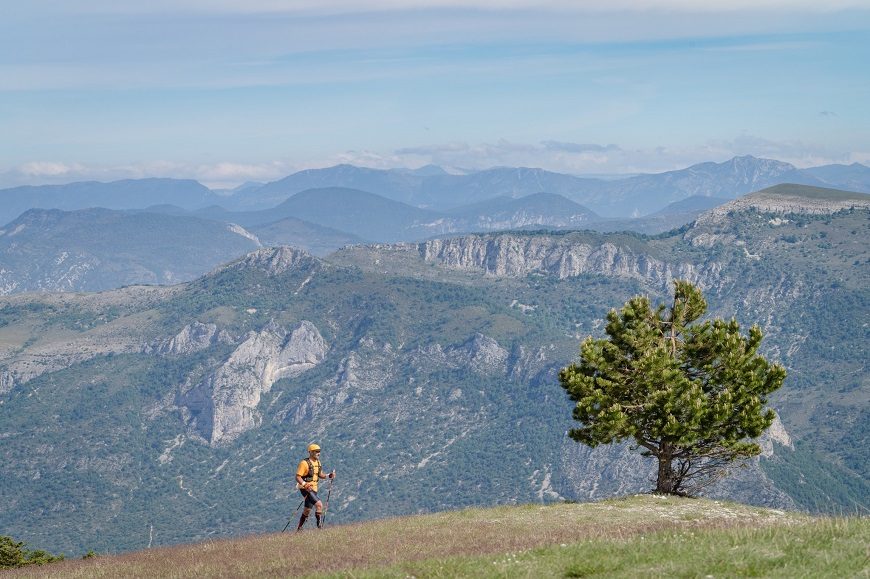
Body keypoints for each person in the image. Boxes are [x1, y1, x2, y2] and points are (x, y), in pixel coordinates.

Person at [295, 443, 335, 530]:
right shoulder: (304, 463)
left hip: (314, 489)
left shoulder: (318, 462)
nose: (319, 453)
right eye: (317, 451)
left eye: (319, 451)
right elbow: (298, 477)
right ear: (311, 452)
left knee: (307, 510)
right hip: (306, 489)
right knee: (319, 505)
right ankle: (320, 528)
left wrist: (329, 476)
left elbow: (320, 475)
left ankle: (299, 529)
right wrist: (305, 485)